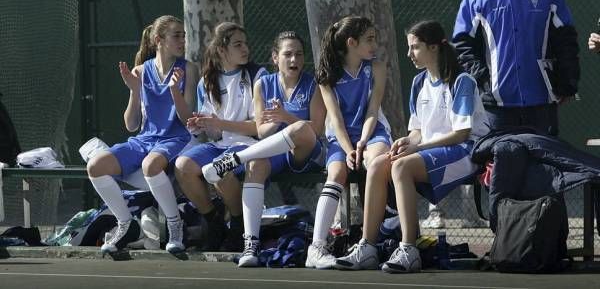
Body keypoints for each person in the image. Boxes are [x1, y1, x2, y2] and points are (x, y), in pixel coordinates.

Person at [334, 20, 489, 273]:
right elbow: (417, 130)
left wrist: (418, 147)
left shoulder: (462, 81)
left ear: (434, 48)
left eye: (415, 47)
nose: (409, 54)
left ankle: (409, 248)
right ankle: (368, 246)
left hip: (467, 153)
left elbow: (461, 134)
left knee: (402, 167)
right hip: (432, 150)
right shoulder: (419, 82)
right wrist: (408, 141)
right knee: (377, 164)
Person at [201, 31, 326, 267]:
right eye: (288, 54)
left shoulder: (313, 84)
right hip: (275, 150)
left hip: (307, 152)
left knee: (299, 128)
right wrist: (278, 122)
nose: (294, 60)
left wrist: (285, 117)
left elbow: (317, 129)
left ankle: (237, 158)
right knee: (256, 164)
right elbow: (261, 131)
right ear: (274, 58)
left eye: (298, 54)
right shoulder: (263, 84)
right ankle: (251, 243)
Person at [452, 0, 579, 136]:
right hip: (498, 106)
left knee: (545, 165)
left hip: (542, 100)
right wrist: (484, 80)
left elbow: (566, 38)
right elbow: (462, 45)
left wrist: (567, 82)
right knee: (503, 164)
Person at [86, 15, 198, 255]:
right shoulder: (140, 71)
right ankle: (125, 224)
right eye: (177, 35)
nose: (183, 40)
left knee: (150, 166)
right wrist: (135, 92)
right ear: (159, 40)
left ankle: (174, 224)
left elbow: (187, 120)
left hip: (176, 139)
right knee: (95, 166)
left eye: (184, 35)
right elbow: (131, 124)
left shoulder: (188, 68)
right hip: (144, 140)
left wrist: (174, 94)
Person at [174, 22, 268, 253]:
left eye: (245, 43)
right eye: (238, 44)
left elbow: (259, 128)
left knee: (219, 170)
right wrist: (202, 124)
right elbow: (213, 132)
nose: (245, 48)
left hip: (249, 146)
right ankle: (213, 220)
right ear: (221, 50)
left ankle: (237, 225)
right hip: (219, 146)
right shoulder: (206, 81)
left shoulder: (259, 75)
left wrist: (219, 123)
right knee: (182, 165)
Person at [310, 16, 392, 269]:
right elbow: (335, 120)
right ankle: (316, 247)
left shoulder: (377, 68)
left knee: (377, 162)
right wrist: (348, 150)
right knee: (335, 173)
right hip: (341, 136)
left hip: (373, 131)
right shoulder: (327, 77)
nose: (374, 44)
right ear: (351, 42)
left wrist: (363, 143)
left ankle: (369, 243)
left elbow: (372, 110)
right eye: (369, 39)